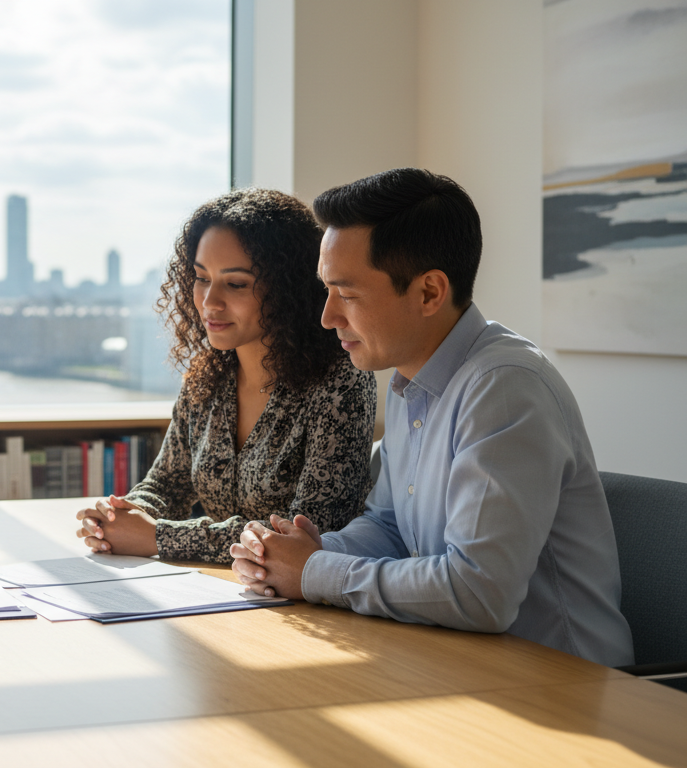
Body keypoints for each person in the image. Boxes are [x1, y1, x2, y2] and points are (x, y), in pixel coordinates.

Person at [231, 168, 634, 668]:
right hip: (459, 661)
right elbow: (392, 527)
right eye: (326, 291)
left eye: (348, 294)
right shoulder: (407, 382)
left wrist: (315, 572)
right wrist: (301, 552)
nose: (327, 317)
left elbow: (478, 591)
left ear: (428, 293)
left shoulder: (504, 387)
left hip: (562, 684)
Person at [74, 188, 376, 563]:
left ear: (288, 288)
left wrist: (158, 537)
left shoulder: (340, 381)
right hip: (224, 593)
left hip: (305, 608)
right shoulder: (207, 377)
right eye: (202, 278)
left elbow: (309, 532)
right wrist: (119, 517)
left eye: (235, 284)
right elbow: (166, 484)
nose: (209, 301)